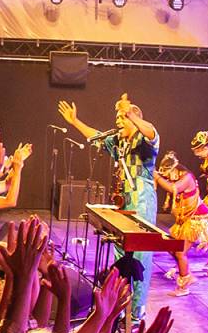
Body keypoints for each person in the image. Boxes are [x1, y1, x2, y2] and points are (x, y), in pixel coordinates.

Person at [58, 96, 159, 321]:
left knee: (140, 255)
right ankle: (120, 305)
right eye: (118, 118)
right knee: (120, 250)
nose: (119, 121)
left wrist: (131, 114)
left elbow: (152, 132)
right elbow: (96, 137)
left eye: (123, 118)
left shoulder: (145, 141)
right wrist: (75, 121)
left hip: (141, 200)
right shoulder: (119, 142)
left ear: (134, 119)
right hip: (122, 200)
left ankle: (137, 312)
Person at [153, 152, 208, 288]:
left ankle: (185, 284)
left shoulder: (186, 178)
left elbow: (172, 188)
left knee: (180, 252)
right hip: (185, 219)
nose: (167, 177)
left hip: (197, 219)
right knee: (172, 248)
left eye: (168, 174)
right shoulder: (177, 177)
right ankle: (186, 272)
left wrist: (157, 177)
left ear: (174, 170)